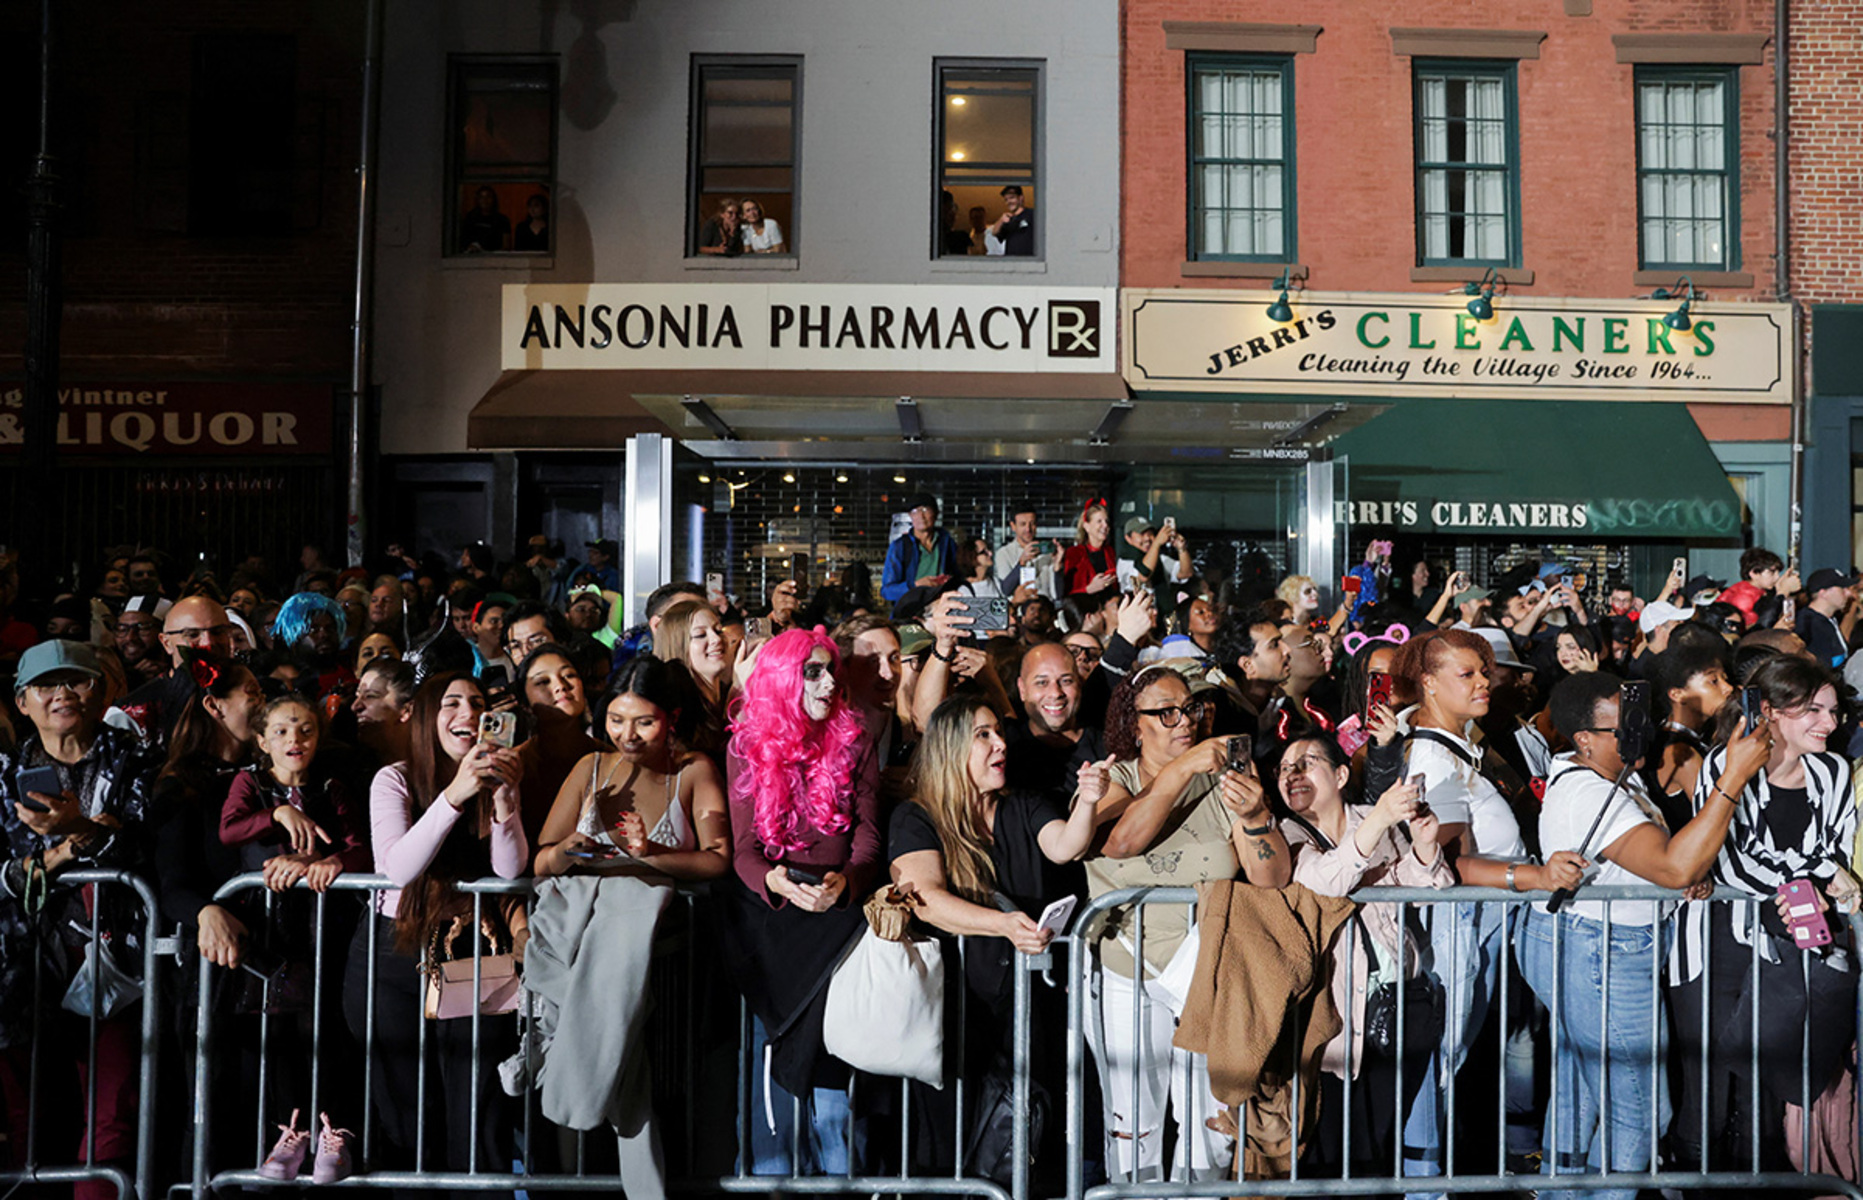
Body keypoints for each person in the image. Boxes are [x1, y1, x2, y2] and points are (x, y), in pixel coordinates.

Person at [1523, 671, 1766, 1200]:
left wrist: (1673, 877)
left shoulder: (1610, 774)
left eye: (1640, 724)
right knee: (1639, 1108)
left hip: (1595, 942)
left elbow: (1668, 864)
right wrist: (1733, 780)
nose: (1640, 737)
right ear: (1584, 738)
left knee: (1582, 1097)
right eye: (1623, 730)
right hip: (1601, 951)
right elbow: (1673, 865)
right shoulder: (1589, 791)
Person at [1389, 628, 1585, 1187]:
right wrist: (1534, 876)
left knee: (1450, 1064)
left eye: (1483, 670)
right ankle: (1422, 1189)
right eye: (1468, 674)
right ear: (1428, 684)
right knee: (1438, 1064)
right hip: (1460, 929)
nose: (1485, 682)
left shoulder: (1460, 744)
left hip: (1483, 925)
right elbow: (1451, 862)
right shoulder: (1433, 754)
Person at [1084, 665, 1290, 1181]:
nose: (1185, 721)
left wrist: (1255, 815)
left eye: (1192, 710)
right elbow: (1120, 842)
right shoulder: (1111, 779)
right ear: (1135, 725)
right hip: (1126, 972)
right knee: (1135, 1122)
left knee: (1210, 1122)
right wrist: (1178, 772)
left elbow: (1271, 877)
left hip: (1207, 975)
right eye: (1167, 712)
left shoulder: (1222, 783)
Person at [886, 697, 1105, 1173]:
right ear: (950, 749)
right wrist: (1001, 924)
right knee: (950, 1142)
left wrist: (1088, 802)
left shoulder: (1023, 805)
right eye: (982, 735)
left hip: (1024, 1009)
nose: (999, 743)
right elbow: (923, 895)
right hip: (954, 1008)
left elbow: (1065, 845)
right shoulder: (917, 818)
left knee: (1017, 1136)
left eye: (998, 733)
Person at [1669, 654, 1860, 1178]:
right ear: (1771, 712)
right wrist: (1806, 883)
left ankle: (1757, 1188)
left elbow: (1833, 850)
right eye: (1814, 711)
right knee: (1707, 1081)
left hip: (1791, 947)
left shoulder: (1834, 771)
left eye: (1833, 711)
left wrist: (1809, 881)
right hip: (1716, 943)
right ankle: (1694, 1186)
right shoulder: (1724, 763)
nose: (1830, 723)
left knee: (1764, 1086)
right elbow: (1730, 857)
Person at [341, 672, 528, 1183]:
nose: (467, 713)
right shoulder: (395, 779)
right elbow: (397, 866)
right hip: (393, 950)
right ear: (427, 718)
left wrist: (504, 802)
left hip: (472, 946)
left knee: (478, 1107)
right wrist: (453, 795)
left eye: (477, 703)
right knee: (406, 1113)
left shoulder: (494, 780)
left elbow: (510, 871)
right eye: (451, 704)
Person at [719, 629, 881, 1175]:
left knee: (836, 1103)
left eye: (830, 669)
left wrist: (848, 882)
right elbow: (743, 850)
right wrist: (778, 884)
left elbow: (868, 836)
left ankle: (844, 1182)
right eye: (812, 671)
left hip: (836, 923)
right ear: (784, 678)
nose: (829, 680)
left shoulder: (857, 738)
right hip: (771, 925)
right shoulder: (745, 744)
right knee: (771, 1105)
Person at [0, 641, 158, 1200]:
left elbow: (142, 844)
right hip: (22, 962)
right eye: (47, 685)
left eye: (77, 682)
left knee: (113, 1106)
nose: (62, 694)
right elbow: (5, 875)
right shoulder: (4, 772)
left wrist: (78, 831)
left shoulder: (133, 757)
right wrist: (74, 847)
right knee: (30, 1111)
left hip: (115, 954)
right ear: (23, 701)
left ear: (101, 693)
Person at [1278, 734, 1453, 1178]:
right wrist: (1378, 819)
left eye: (1306, 762)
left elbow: (1411, 888)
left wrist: (1425, 846)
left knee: (1378, 1149)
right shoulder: (1288, 835)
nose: (1292, 773)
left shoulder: (1372, 819)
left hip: (1399, 1006)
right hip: (1334, 1022)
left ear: (1340, 776)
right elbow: (1323, 881)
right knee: (1333, 1154)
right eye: (1283, 768)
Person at [512, 643, 598, 845]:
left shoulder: (608, 757)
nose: (560, 686)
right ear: (525, 703)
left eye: (568, 675)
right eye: (543, 682)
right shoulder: (517, 765)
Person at [652, 598, 734, 764]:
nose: (716, 639)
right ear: (677, 645)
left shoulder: (729, 694)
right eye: (700, 635)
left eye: (718, 631)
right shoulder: (677, 711)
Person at [880, 493, 959, 611]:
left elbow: (959, 576)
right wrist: (915, 585)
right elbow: (887, 591)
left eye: (925, 509)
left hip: (941, 610)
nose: (920, 516)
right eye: (915, 511)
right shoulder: (900, 546)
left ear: (936, 513)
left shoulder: (947, 543)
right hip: (910, 613)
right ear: (910, 516)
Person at [1717, 548, 1799, 630]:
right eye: (1772, 572)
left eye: (1778, 572)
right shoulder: (1743, 597)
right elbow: (1758, 630)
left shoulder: (1760, 590)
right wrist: (1783, 591)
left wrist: (1780, 587)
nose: (1777, 577)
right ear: (1754, 573)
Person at [1794, 567, 1855, 669]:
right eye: (1842, 589)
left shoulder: (1828, 619)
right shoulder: (1807, 624)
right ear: (1824, 593)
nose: (1849, 593)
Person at [994, 508, 1059, 600]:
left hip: (1046, 608)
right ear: (1013, 526)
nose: (1028, 529)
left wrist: (1058, 565)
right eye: (1023, 524)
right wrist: (1021, 562)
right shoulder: (1004, 553)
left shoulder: (1047, 552)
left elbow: (1056, 593)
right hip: (1020, 611)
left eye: (1032, 524)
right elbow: (1006, 590)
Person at [1058, 501, 1119, 599]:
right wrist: (1089, 589)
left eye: (1106, 521)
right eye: (1099, 521)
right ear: (1087, 527)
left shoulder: (1110, 551)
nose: (1105, 525)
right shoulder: (1074, 553)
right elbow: (1066, 594)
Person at [460, 186, 511, 253]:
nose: (485, 200)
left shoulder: (502, 219)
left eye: (488, 197)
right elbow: (463, 240)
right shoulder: (470, 218)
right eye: (481, 197)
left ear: (493, 199)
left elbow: (506, 246)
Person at [989, 185, 1034, 256]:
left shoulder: (1032, 214)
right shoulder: (1008, 219)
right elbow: (994, 232)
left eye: (1012, 198)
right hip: (1011, 262)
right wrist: (1001, 220)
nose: (1009, 202)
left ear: (1021, 198)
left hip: (1029, 260)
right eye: (1006, 200)